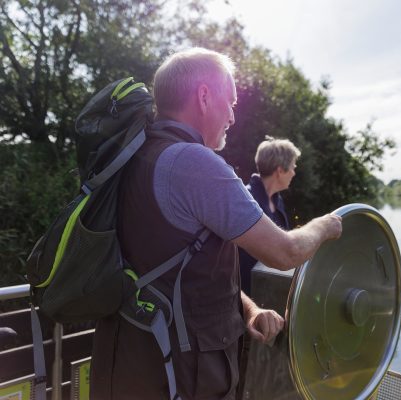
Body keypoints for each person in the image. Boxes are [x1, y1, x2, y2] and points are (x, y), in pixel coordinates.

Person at [89, 47, 342, 400]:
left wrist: (249, 310)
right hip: (178, 376)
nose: (233, 117)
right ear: (204, 96)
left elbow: (175, 271)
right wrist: (327, 224)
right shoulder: (193, 163)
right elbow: (285, 253)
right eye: (232, 102)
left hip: (130, 361)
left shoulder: (136, 158)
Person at [239, 137, 301, 296]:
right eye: (293, 167)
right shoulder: (245, 199)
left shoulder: (277, 200)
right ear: (280, 171)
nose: (294, 172)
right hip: (245, 297)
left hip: (269, 292)